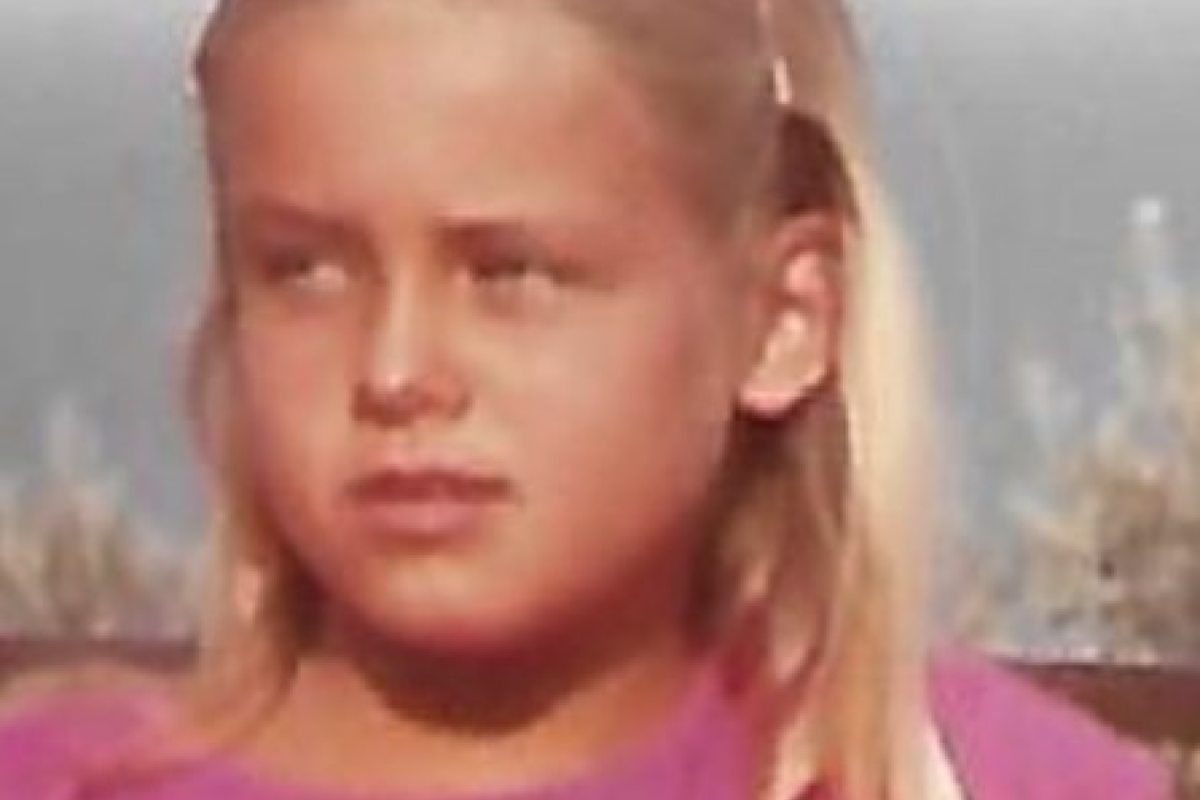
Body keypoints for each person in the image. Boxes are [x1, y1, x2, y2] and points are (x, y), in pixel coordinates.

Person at [0, 0, 1169, 798]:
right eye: (305, 268)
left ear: (782, 317)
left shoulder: (984, 777)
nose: (396, 371)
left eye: (511, 274)